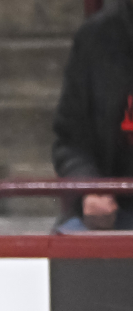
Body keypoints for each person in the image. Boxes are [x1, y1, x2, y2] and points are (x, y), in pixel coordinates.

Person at [52, 0, 133, 231]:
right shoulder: (96, 37)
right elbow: (70, 141)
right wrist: (90, 188)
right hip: (116, 213)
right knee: (66, 243)